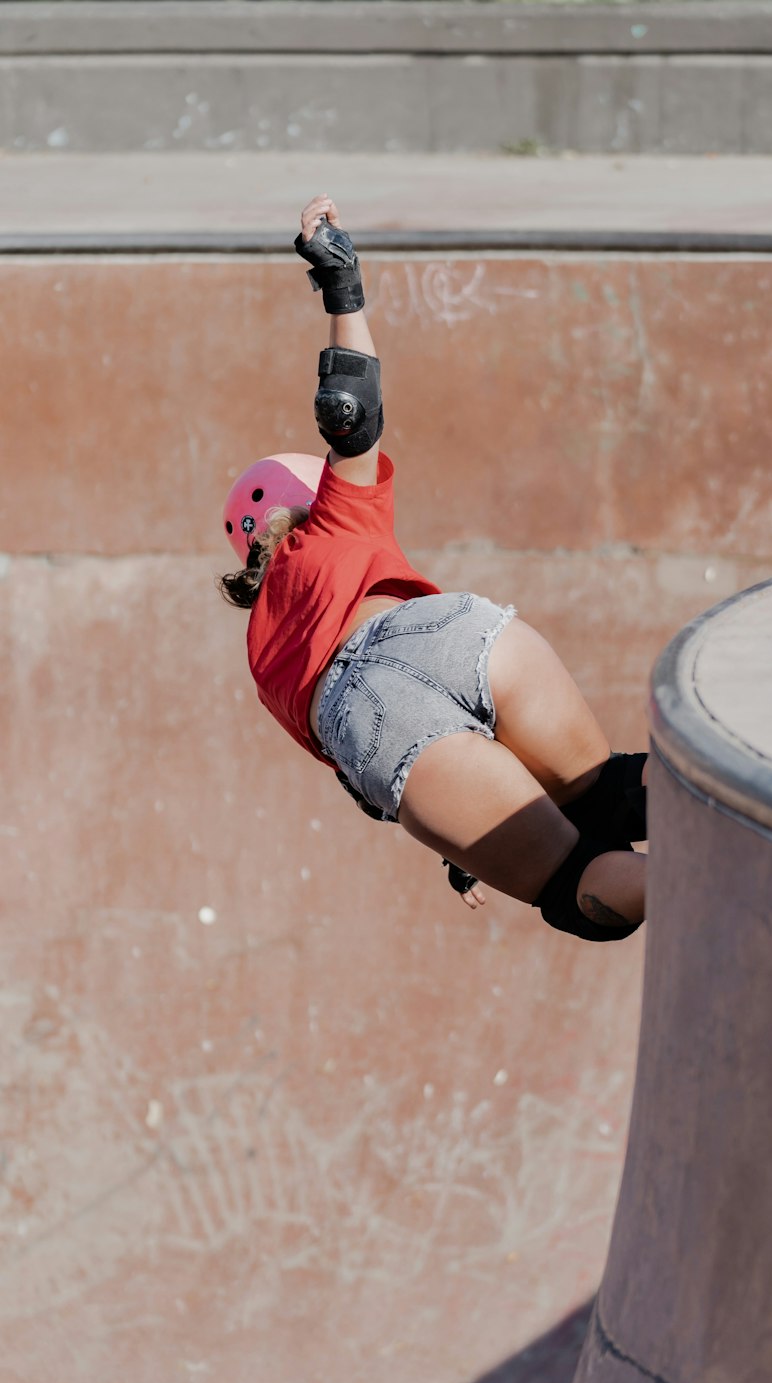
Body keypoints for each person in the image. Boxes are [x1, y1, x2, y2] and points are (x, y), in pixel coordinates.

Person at [218, 195, 647, 941]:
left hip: (376, 723)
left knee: (575, 887)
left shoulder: (264, 660)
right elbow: (349, 411)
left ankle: (735, 890)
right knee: (607, 796)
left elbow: (370, 772)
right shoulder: (332, 521)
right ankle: (770, 817)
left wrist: (468, 836)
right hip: (452, 632)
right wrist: (340, 286)